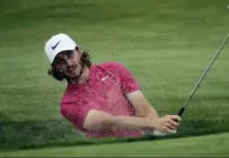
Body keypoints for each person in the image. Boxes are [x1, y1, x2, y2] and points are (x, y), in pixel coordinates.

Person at [44, 33, 181, 138]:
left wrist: (160, 128)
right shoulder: (68, 104)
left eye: (69, 55)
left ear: (78, 51)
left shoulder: (114, 69)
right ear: (55, 68)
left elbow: (143, 108)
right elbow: (109, 122)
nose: (68, 63)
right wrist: (153, 123)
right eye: (60, 61)